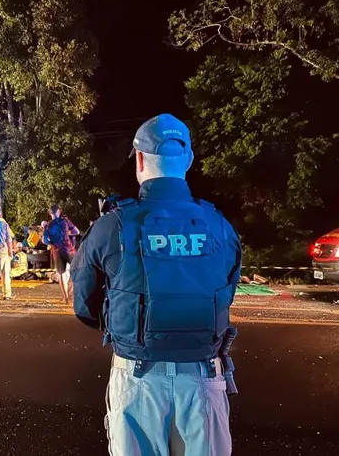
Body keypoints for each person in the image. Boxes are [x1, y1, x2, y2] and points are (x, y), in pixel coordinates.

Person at [70, 114, 242, 456]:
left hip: (137, 382)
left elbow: (84, 308)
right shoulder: (220, 226)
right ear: (189, 160)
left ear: (139, 159)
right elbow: (227, 292)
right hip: (204, 379)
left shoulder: (111, 226)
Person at [43, 204, 80, 303]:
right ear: (59, 211)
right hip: (70, 250)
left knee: (61, 274)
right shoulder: (65, 221)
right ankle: (72, 293)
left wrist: (51, 242)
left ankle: (66, 298)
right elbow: (77, 231)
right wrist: (67, 234)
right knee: (76, 273)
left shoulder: (48, 225)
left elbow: (45, 240)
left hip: (57, 251)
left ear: (50, 213)